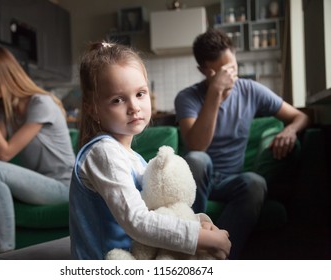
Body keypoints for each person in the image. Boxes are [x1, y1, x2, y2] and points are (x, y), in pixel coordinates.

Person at [69, 41, 231, 260]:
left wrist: (200, 223)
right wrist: (203, 238)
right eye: (117, 99)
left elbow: (158, 211)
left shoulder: (134, 159)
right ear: (92, 108)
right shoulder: (103, 153)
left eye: (140, 94)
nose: (134, 106)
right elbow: (138, 221)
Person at [174, 28, 309, 259]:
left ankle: (218, 258)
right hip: (198, 179)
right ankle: (189, 247)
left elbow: (301, 116)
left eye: (233, 69)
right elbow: (197, 146)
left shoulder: (250, 91)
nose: (229, 77)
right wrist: (215, 91)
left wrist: (290, 129)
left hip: (230, 180)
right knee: (197, 158)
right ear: (204, 71)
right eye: (220, 72)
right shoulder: (187, 97)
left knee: (255, 182)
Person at [0, 45, 75, 260]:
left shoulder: (40, 103)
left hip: (64, 186)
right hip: (39, 183)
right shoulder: (8, 112)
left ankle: (6, 255)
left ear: (8, 72)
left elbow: (3, 156)